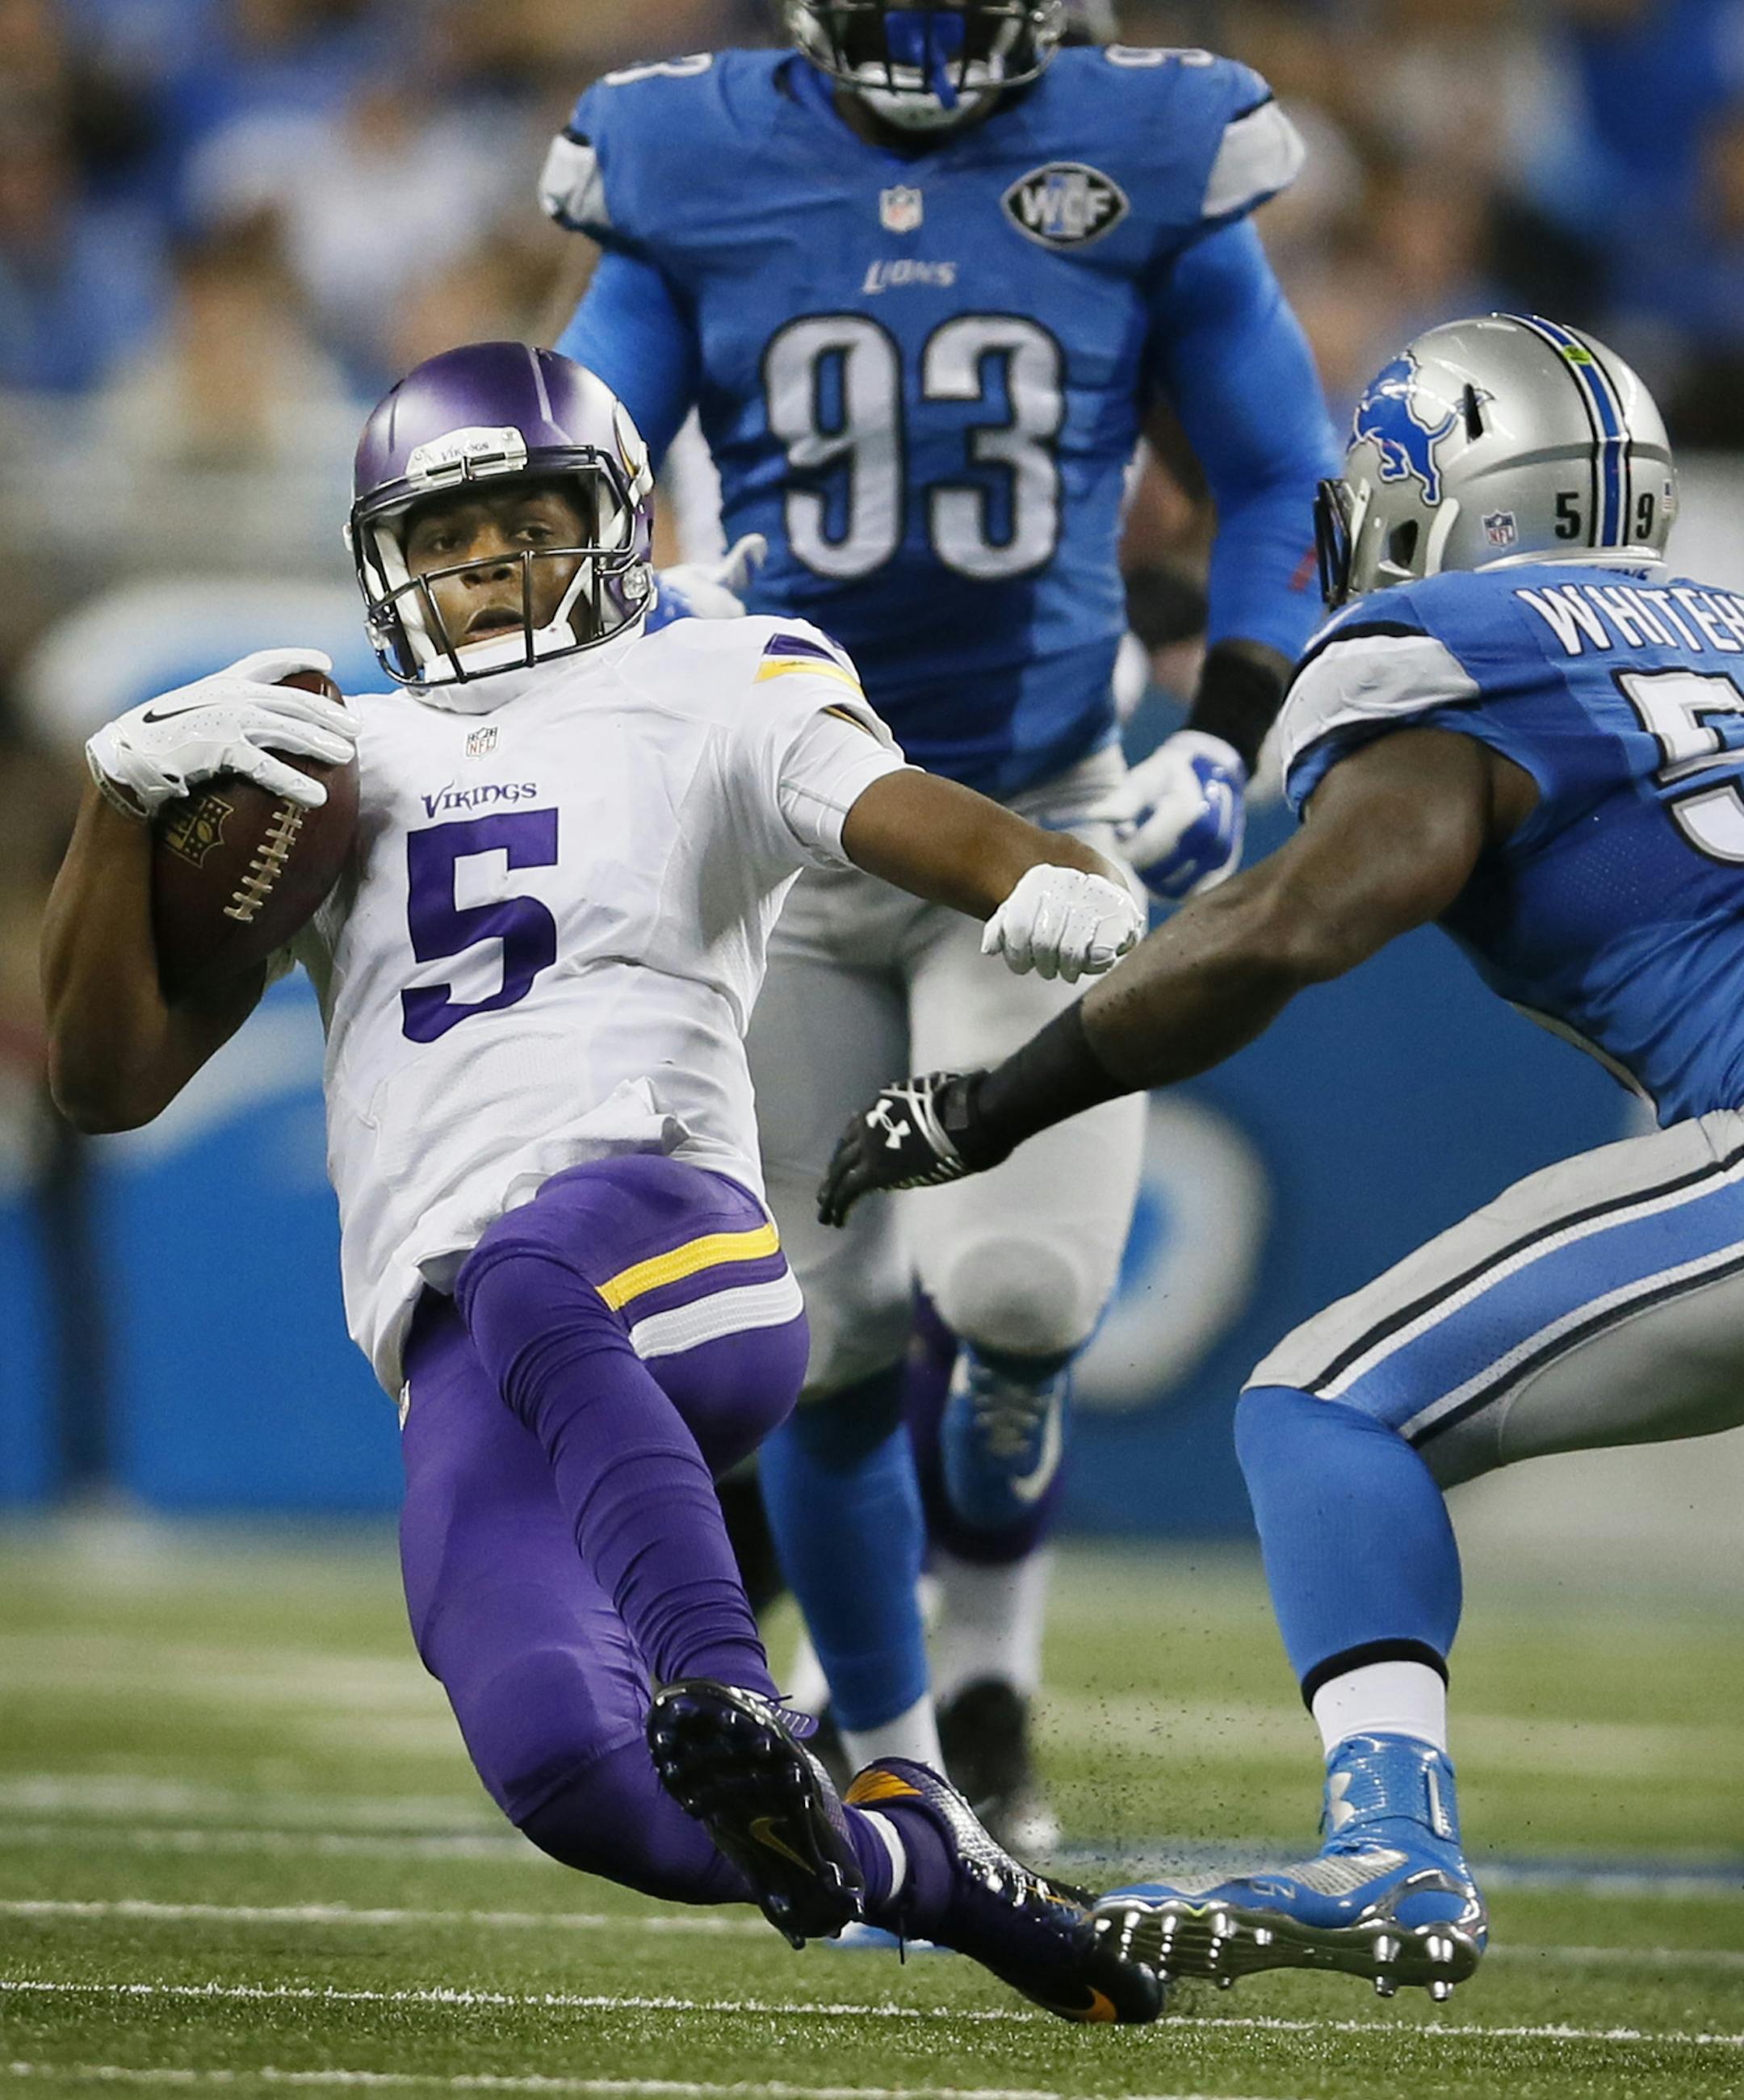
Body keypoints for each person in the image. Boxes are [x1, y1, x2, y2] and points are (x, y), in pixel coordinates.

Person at [39, 340, 1162, 2022]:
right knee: (567, 1770)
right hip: (459, 1352)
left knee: (535, 1270)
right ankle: (918, 1855)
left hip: (670, 1245)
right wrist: (119, 811)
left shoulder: (714, 677)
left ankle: (728, 1684)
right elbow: (104, 1080)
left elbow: (888, 803)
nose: (484, 565)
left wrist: (1034, 868)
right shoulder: (331, 768)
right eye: (445, 536)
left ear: (618, 523)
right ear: (384, 558)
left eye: (527, 519)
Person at [815, 312, 1744, 2001]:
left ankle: (1392, 1839)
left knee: (1325, 1402)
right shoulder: (1725, 631)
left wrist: (986, 1105)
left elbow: (1277, 930)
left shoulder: (1454, 638)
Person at [539, 0, 1337, 1837]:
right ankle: (906, 1742)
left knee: (1022, 1297)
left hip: (1038, 818)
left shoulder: (1147, 146)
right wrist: (645, 623)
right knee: (818, 1352)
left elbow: (1282, 472)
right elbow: (583, 471)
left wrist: (1226, 733)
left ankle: (988, 1661)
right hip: (791, 826)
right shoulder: (689, 155)